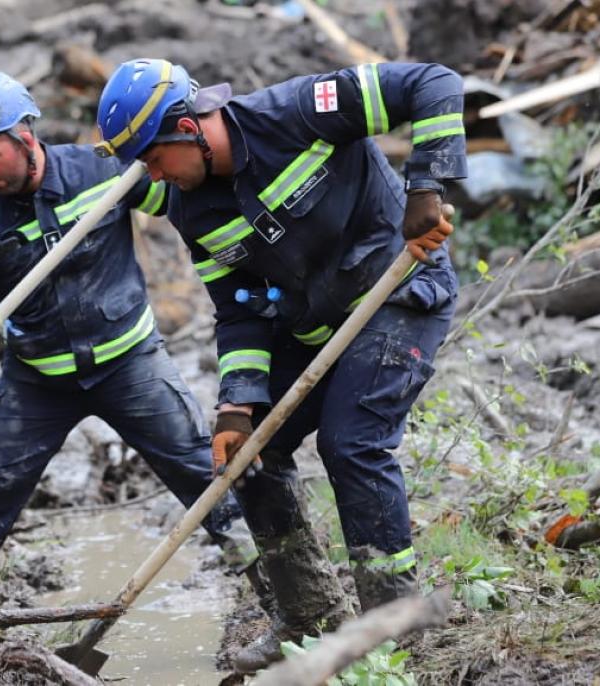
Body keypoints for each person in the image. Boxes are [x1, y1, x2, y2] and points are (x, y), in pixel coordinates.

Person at [95, 58, 464, 671]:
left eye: (154, 159)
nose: (152, 178)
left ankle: (397, 625)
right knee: (249, 458)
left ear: (187, 126)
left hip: (397, 296)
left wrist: (426, 187)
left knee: (353, 443)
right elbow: (237, 313)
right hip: (313, 326)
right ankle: (308, 616)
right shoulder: (192, 209)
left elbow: (436, 82)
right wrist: (237, 406)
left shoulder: (300, 111)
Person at [0, 72, 259, 601]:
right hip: (38, 379)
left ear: (24, 137)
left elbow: (182, 194)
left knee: (203, 469)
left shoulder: (104, 172)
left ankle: (267, 577)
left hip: (131, 363)